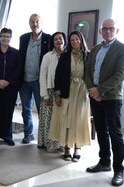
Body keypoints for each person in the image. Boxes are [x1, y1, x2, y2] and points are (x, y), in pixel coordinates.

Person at [85, 19, 124, 186]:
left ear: (117, 30)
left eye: (111, 28)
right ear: (101, 31)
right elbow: (87, 71)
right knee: (101, 131)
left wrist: (99, 90)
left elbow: (120, 75)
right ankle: (104, 162)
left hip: (112, 97)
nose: (108, 31)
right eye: (105, 29)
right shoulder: (95, 49)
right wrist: (91, 90)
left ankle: (119, 170)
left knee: (115, 134)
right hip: (94, 96)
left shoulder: (121, 49)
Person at [52, 30, 90, 162]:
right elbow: (57, 76)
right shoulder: (65, 56)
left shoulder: (88, 55)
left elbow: (91, 75)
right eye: (72, 40)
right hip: (67, 90)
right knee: (66, 118)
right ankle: (67, 147)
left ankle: (77, 147)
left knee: (78, 119)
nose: (75, 42)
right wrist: (57, 94)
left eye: (77, 39)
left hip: (82, 91)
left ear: (81, 40)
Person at [19, 13, 51, 144]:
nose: (35, 24)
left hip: (39, 81)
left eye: (37, 21)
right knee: (25, 109)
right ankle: (28, 134)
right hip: (24, 80)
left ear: (41, 23)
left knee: (41, 109)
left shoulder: (48, 38)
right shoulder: (24, 38)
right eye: (32, 22)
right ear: (29, 23)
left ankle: (43, 137)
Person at [0, 28, 22, 146]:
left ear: (10, 38)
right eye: (3, 36)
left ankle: (7, 136)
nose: (5, 39)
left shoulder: (16, 53)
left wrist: (8, 81)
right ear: (0, 37)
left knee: (8, 112)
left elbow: (18, 70)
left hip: (10, 87)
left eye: (7, 36)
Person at [38, 32, 66, 152]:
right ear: (53, 42)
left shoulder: (69, 55)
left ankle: (61, 144)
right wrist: (44, 95)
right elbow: (42, 76)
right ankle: (49, 144)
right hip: (50, 91)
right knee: (49, 120)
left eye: (60, 38)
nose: (58, 41)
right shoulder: (48, 56)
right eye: (56, 39)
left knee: (62, 120)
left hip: (65, 92)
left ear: (64, 40)